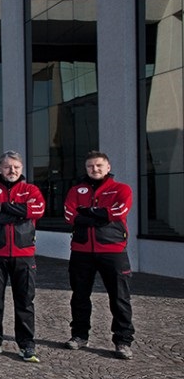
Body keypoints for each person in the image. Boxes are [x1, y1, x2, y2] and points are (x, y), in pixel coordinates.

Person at [63, 151, 136, 360]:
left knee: (120, 297)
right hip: (81, 251)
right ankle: (79, 335)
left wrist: (87, 213)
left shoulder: (121, 189)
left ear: (108, 167)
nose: (94, 169)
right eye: (90, 166)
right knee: (79, 296)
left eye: (98, 166)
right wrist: (98, 215)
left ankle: (123, 340)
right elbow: (69, 215)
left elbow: (118, 212)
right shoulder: (76, 190)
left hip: (113, 251)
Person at [0, 151, 45, 362]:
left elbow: (38, 209)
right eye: (7, 167)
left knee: (25, 301)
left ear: (22, 168)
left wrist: (4, 208)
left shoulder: (31, 189)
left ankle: (26, 345)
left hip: (24, 255)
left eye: (16, 167)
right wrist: (20, 213)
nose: (12, 171)